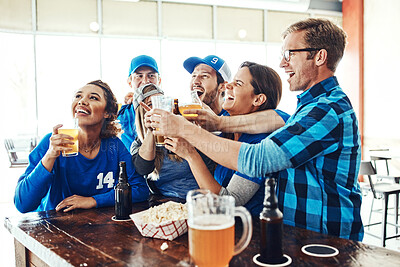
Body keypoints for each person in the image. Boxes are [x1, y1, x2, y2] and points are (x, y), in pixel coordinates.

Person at [148, 18, 363, 241]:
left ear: (320, 56)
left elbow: (258, 159)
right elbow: (276, 118)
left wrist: (185, 131)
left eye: (290, 53)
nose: (282, 63)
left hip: (328, 241)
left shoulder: (327, 110)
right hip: (298, 236)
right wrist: (217, 124)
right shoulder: (309, 106)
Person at [165, 61, 289, 216]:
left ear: (258, 99)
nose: (227, 86)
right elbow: (210, 111)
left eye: (238, 83)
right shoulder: (226, 125)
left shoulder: (259, 143)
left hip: (249, 230)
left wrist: (190, 154)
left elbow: (226, 202)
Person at [14, 80, 149, 213]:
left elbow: (141, 190)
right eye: (78, 96)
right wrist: (50, 155)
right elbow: (23, 204)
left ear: (107, 112)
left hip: (98, 227)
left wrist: (93, 200)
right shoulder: (53, 143)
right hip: (55, 227)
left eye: (93, 98)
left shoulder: (115, 146)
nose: (82, 101)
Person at [131, 83, 215, 199]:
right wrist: (152, 130)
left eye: (161, 104)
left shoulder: (183, 132)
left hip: (200, 199)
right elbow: (143, 168)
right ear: (141, 114)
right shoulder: (139, 144)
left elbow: (211, 166)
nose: (159, 110)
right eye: (152, 105)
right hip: (167, 204)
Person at [118, 55, 161, 150]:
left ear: (159, 81)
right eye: (139, 76)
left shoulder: (170, 110)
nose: (145, 81)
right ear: (130, 82)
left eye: (151, 75)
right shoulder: (122, 114)